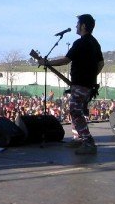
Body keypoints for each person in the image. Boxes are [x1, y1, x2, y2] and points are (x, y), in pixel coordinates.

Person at [38, 14, 104, 155]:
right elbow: (101, 63)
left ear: (83, 26)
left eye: (77, 24)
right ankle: (78, 138)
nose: (76, 26)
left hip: (80, 84)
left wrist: (47, 62)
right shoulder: (95, 42)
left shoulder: (80, 43)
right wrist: (91, 77)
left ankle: (88, 142)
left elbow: (66, 60)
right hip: (88, 85)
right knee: (77, 110)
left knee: (75, 111)